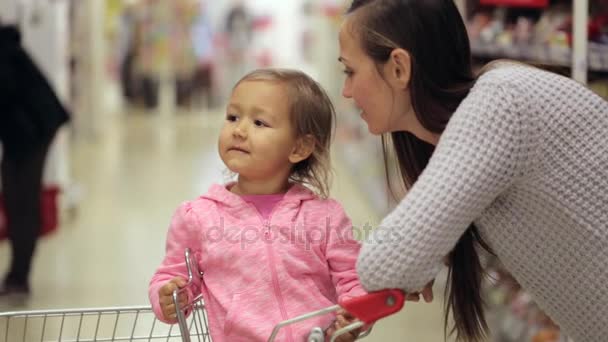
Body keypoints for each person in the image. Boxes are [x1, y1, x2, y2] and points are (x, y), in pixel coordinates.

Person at [337, 1, 608, 341]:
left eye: (349, 71)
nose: (346, 92)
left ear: (399, 67)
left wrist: (408, 267)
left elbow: (383, 266)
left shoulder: (500, 103)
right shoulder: (471, 124)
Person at [149, 69, 366, 342]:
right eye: (232, 117)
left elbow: (352, 275)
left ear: (299, 147)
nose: (238, 130)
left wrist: (353, 314)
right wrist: (168, 298)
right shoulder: (199, 217)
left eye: (259, 123)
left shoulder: (324, 216)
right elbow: (172, 276)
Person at [0, 24, 70, 295]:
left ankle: (19, 276)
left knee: (22, 200)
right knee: (16, 197)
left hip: (33, 130)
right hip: (27, 129)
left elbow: (5, 93)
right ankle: (17, 274)